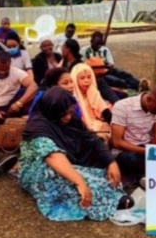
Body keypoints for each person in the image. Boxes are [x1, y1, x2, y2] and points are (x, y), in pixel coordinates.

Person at [20, 87, 125, 221]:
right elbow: (53, 156)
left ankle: (107, 195)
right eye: (64, 114)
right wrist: (79, 183)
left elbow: (90, 138)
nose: (68, 117)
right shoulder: (37, 128)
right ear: (53, 112)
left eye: (70, 112)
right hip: (42, 169)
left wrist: (111, 161)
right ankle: (105, 202)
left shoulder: (70, 118)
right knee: (69, 180)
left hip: (67, 161)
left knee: (104, 171)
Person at [110, 84, 156, 184]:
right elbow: (117, 142)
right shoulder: (122, 106)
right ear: (149, 99)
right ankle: (147, 178)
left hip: (144, 148)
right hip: (123, 151)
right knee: (133, 159)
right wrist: (145, 151)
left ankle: (147, 177)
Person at [0, 52, 38, 134]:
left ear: (10, 65)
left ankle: (26, 122)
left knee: (28, 92)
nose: (2, 72)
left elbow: (34, 86)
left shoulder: (16, 72)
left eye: (5, 69)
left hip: (13, 106)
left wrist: (19, 103)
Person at [71, 63, 111, 140]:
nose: (87, 81)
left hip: (97, 123)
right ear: (75, 80)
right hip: (83, 128)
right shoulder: (73, 97)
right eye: (82, 78)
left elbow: (103, 109)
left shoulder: (93, 91)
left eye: (89, 77)